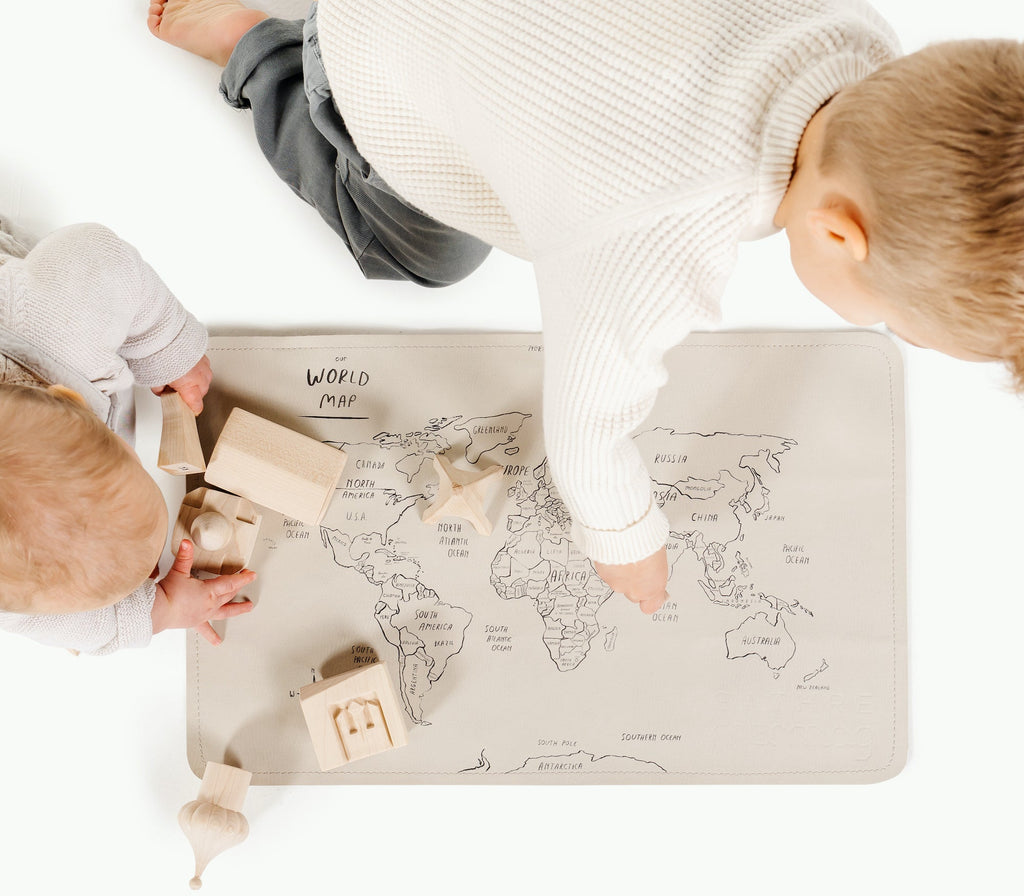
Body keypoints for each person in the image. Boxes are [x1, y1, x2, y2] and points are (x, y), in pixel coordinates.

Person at [148, 0, 1024, 613]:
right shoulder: (653, 238)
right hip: (375, 52)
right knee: (429, 252)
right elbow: (587, 429)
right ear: (839, 236)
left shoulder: (852, 33)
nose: (873, 326)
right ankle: (259, 51)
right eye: (883, 319)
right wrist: (627, 543)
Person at [0, 218, 256, 654]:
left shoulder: (57, 326)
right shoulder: (15, 597)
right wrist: (162, 610)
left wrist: (169, 350)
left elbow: (103, 258)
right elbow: (83, 626)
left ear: (70, 398)